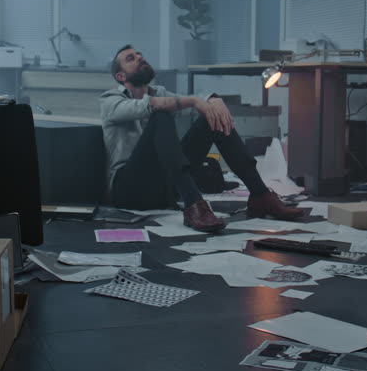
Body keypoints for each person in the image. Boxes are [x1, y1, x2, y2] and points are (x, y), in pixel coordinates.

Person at [100, 44, 305, 232]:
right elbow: (151, 105)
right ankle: (194, 205)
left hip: (163, 189)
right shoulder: (110, 101)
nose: (139, 58)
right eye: (130, 58)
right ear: (120, 76)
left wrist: (212, 100)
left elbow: (183, 101)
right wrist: (195, 101)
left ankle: (260, 195)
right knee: (161, 113)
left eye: (139, 55)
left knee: (210, 119)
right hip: (129, 190)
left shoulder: (159, 92)